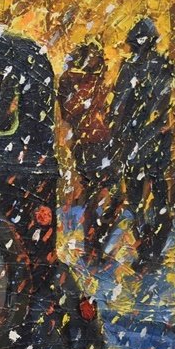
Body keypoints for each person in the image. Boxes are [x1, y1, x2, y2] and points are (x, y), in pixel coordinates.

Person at [97, 18, 174, 272]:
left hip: (136, 139)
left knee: (137, 197)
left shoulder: (131, 67)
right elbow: (164, 103)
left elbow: (119, 102)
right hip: (158, 138)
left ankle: (146, 249)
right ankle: (153, 250)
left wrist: (115, 127)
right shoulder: (164, 65)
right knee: (158, 194)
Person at [57, 40, 116, 263]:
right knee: (96, 195)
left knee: (104, 195)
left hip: (101, 143)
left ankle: (95, 244)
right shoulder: (75, 82)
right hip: (91, 144)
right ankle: (94, 247)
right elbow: (70, 111)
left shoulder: (94, 82)